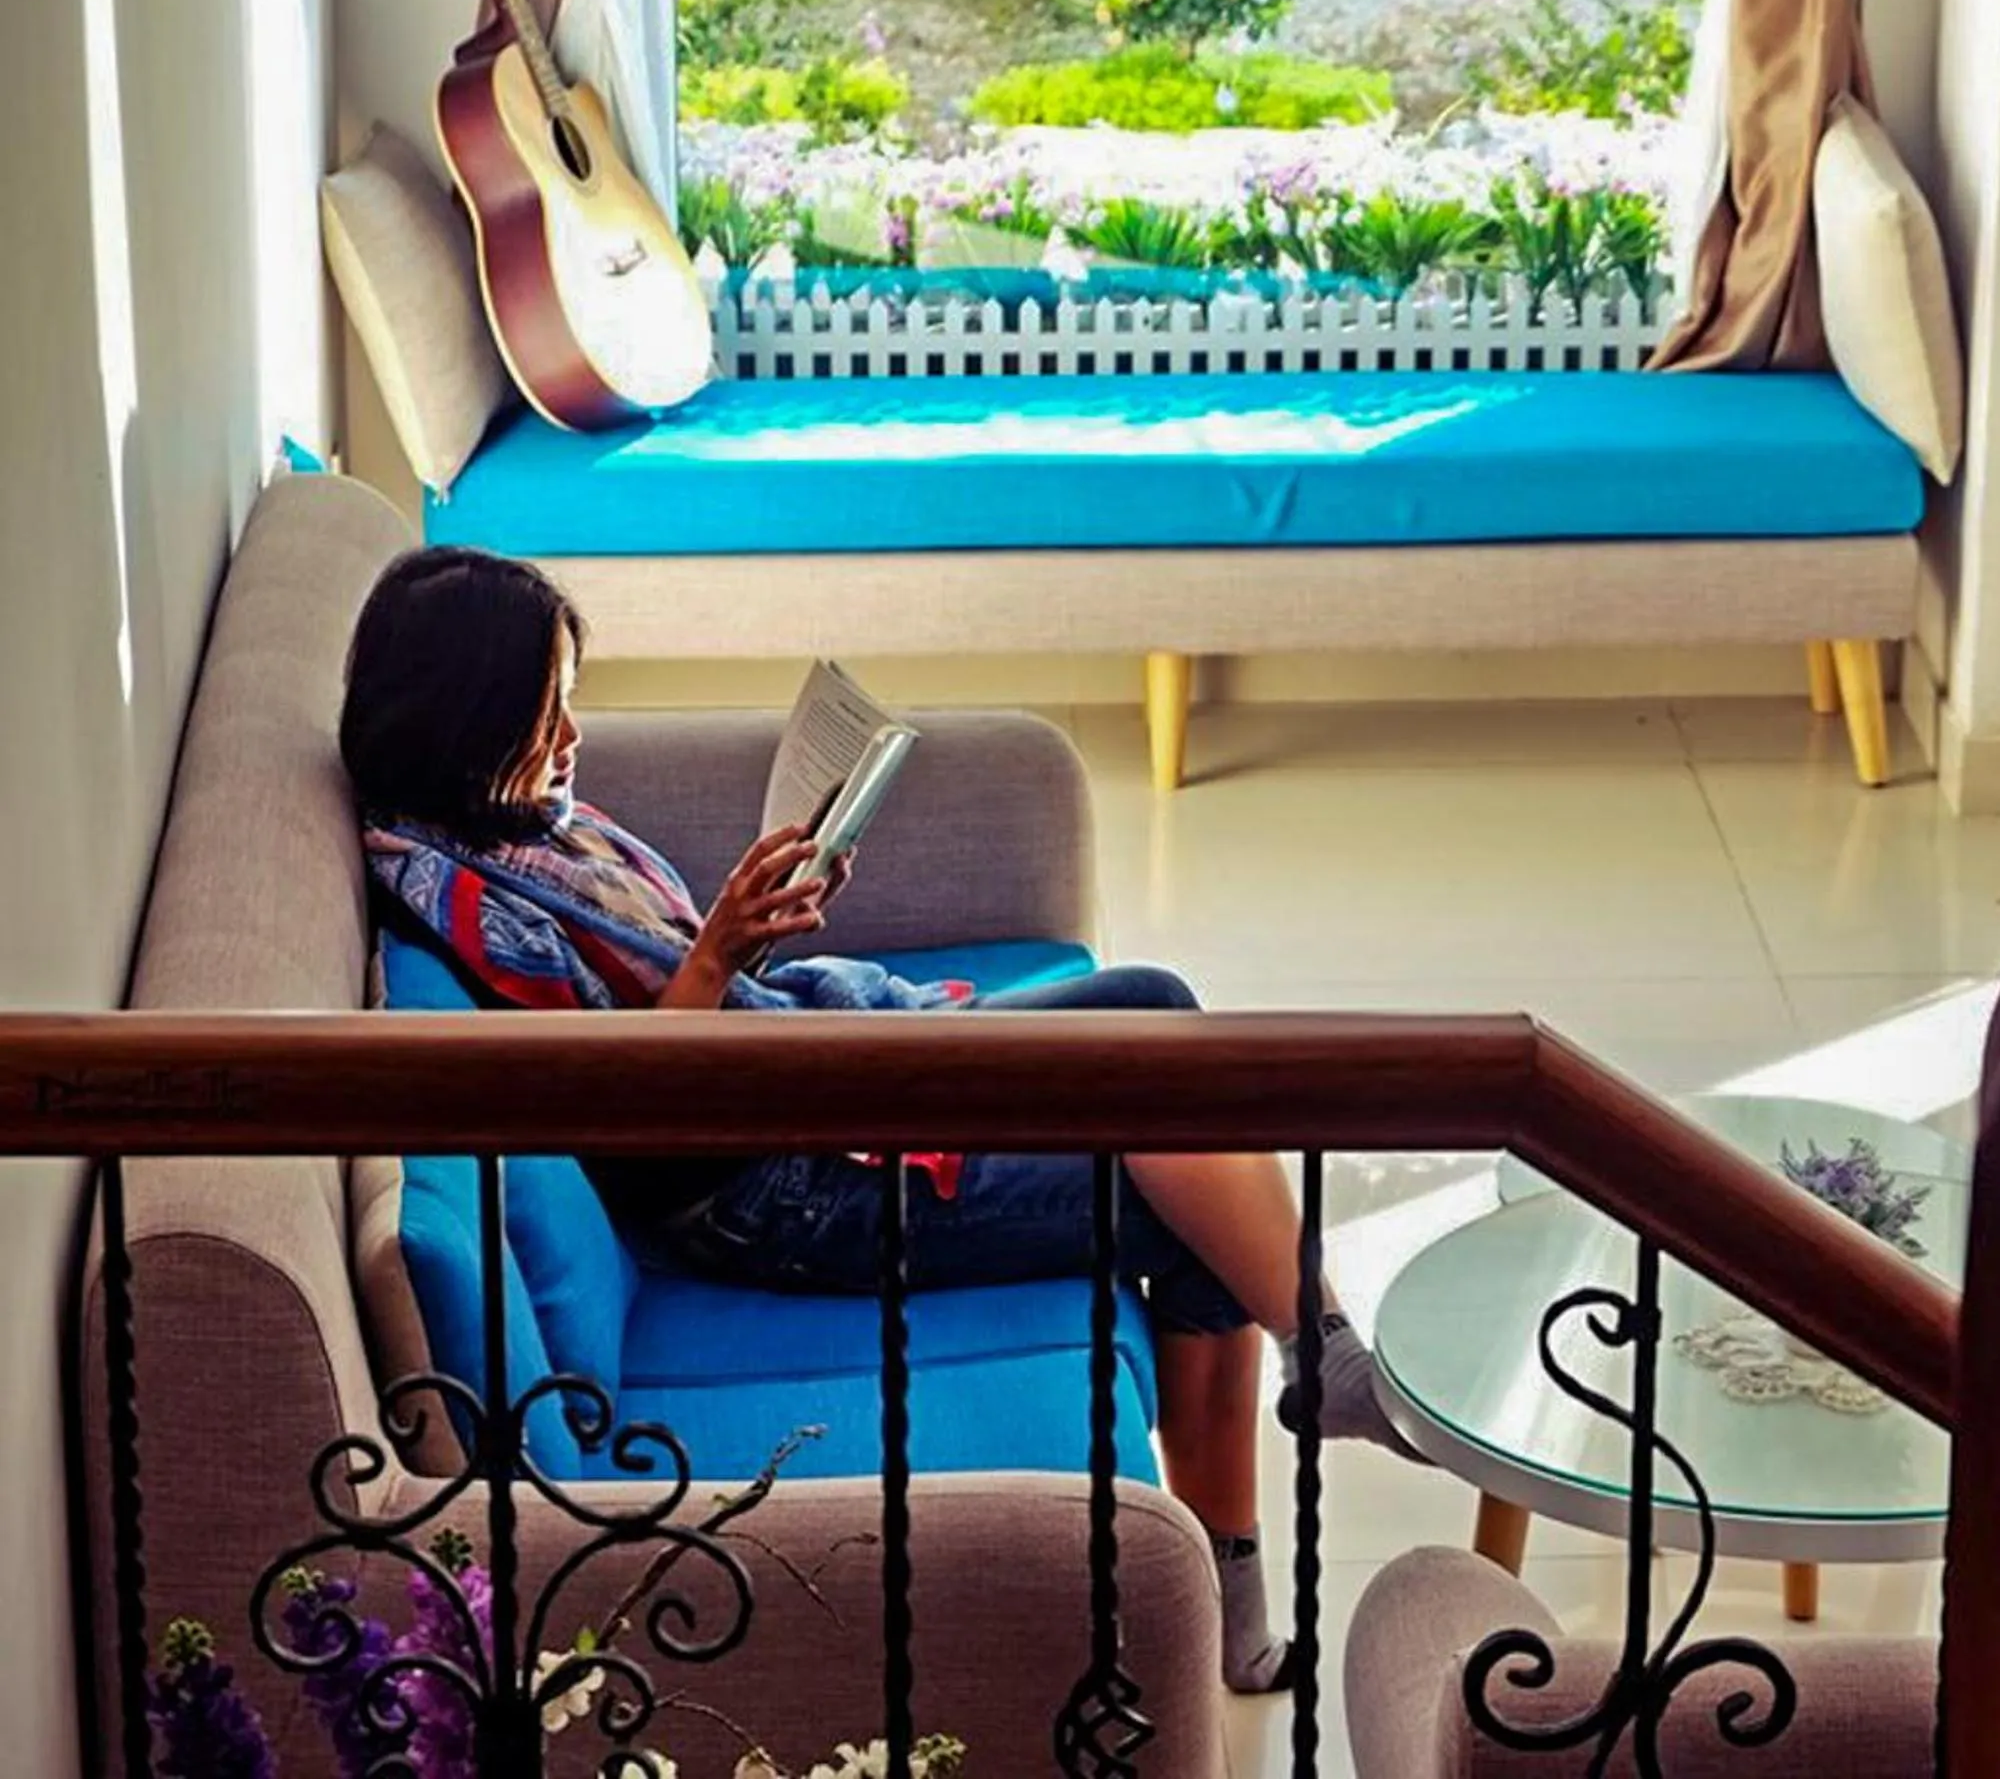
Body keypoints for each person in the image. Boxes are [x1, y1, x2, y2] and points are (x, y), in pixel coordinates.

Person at [339, 546, 1412, 1694]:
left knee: (1153, 1007)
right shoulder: (470, 910)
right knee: (1188, 1188)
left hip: (788, 1078)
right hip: (766, 1189)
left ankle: (1314, 1360)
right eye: (543, 713)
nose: (572, 737)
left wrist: (746, 945)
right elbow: (636, 1124)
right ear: (464, 721)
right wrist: (719, 954)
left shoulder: (514, 831)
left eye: (567, 703)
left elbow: (671, 1015)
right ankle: (1269, 1493)